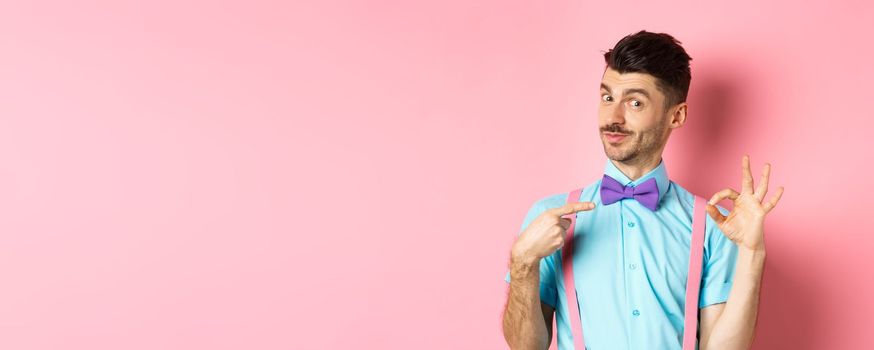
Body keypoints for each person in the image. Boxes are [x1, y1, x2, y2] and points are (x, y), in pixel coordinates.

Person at [501, 30, 784, 350]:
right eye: (607, 97)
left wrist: (752, 253)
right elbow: (525, 347)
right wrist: (523, 263)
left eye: (634, 102)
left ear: (676, 115)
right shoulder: (549, 218)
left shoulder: (712, 225)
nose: (613, 117)